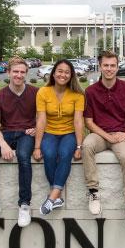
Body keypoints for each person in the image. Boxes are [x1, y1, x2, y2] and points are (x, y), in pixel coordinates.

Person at [82, 51, 125, 225]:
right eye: (105, 65)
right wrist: (107, 136)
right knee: (86, 146)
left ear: (117, 66)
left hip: (121, 134)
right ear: (100, 66)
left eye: (112, 65)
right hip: (100, 134)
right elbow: (88, 122)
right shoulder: (90, 91)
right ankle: (93, 192)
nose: (109, 69)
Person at [0, 57, 38, 227]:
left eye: (22, 72)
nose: (19, 75)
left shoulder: (36, 93)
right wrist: (3, 145)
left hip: (26, 133)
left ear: (26, 74)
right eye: (15, 71)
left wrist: (37, 129)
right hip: (5, 133)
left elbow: (44, 119)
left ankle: (24, 205)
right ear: (8, 72)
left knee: (23, 157)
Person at [34, 59, 85, 215]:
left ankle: (52, 197)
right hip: (50, 132)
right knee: (49, 154)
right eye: (60, 71)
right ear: (54, 73)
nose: (63, 75)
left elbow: (78, 121)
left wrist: (78, 146)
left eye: (67, 72)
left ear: (71, 75)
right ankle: (56, 197)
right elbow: (41, 120)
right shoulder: (43, 92)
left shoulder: (77, 95)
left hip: (68, 133)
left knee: (64, 154)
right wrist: (36, 147)